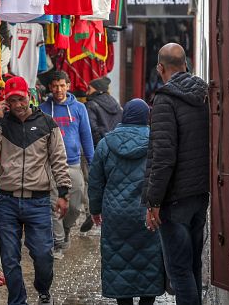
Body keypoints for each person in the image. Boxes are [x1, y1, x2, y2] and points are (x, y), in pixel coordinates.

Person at [0, 76, 71, 305]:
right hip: (6, 201)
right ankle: (17, 301)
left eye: (20, 99)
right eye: (12, 101)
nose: (18, 105)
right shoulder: (2, 124)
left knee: (43, 255)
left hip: (38, 201)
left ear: (29, 97)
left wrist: (63, 193)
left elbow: (59, 160)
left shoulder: (47, 124)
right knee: (9, 259)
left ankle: (43, 289)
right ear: (6, 103)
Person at [143, 43, 210, 305]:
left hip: (174, 198)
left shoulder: (165, 100)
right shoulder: (203, 95)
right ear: (186, 64)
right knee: (193, 266)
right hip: (199, 193)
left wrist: (153, 201)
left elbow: (163, 155)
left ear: (160, 67)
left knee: (179, 271)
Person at [88, 99, 165, 305]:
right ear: (146, 117)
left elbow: (95, 181)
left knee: (119, 260)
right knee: (149, 259)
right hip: (147, 213)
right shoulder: (156, 143)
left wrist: (95, 210)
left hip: (115, 214)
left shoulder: (106, 144)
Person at [41, 70, 94, 256]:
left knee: (75, 207)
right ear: (50, 87)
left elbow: (86, 137)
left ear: (68, 86)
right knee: (54, 204)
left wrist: (92, 162)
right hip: (50, 165)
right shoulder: (43, 109)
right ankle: (58, 242)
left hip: (73, 163)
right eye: (55, 86)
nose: (58, 89)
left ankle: (66, 228)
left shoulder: (79, 108)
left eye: (62, 85)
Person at [79, 76, 123, 233]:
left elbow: (91, 127)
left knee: (90, 180)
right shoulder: (116, 104)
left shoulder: (90, 105)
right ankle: (109, 211)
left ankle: (91, 211)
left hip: (96, 148)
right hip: (115, 148)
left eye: (89, 88)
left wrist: (100, 143)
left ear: (96, 89)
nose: (86, 91)